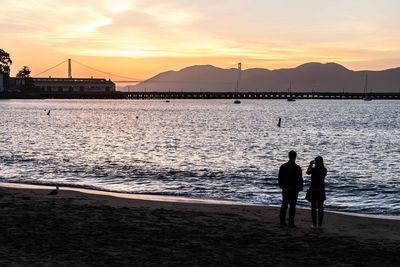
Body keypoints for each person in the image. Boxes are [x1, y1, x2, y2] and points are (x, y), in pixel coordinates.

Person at [278, 151, 303, 227]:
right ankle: (291, 222)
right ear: (295, 157)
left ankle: (282, 221)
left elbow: (280, 177)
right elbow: (300, 179)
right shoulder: (297, 168)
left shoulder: (283, 166)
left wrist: (281, 186)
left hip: (286, 188)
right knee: (292, 206)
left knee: (284, 205)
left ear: (289, 156)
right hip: (294, 189)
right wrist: (300, 187)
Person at [306, 156, 327, 229]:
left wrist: (311, 164)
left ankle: (314, 224)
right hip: (321, 190)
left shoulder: (313, 170)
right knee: (320, 208)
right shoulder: (324, 170)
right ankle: (320, 225)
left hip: (313, 190)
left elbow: (307, 172)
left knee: (313, 208)